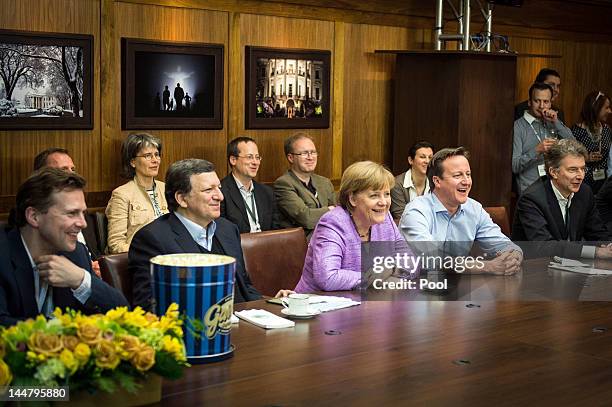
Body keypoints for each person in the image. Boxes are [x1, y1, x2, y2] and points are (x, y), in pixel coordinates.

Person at [128, 159, 292, 311]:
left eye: (219, 188)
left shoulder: (227, 229)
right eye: (208, 190)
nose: (220, 196)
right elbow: (148, 307)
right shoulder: (153, 239)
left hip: (244, 324)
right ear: (182, 199)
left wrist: (271, 303)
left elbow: (244, 287)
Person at [0, 168, 128, 326]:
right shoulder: (4, 254)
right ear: (34, 216)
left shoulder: (77, 253)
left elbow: (122, 311)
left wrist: (81, 280)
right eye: (71, 213)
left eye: (83, 213)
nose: (83, 223)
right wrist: (62, 330)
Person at [401, 147, 522, 275]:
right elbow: (432, 259)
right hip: (414, 286)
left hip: (457, 287)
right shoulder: (416, 211)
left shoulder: (474, 209)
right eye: (458, 175)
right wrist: (487, 266)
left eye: (468, 174)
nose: (466, 182)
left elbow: (506, 246)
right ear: (437, 181)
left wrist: (513, 257)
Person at [294, 161, 410, 292]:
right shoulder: (332, 223)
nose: (383, 202)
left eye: (387, 194)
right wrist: (375, 278)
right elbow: (327, 278)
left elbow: (411, 262)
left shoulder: (385, 218)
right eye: (374, 195)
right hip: (317, 306)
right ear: (352, 199)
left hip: (367, 304)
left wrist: (393, 272)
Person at [512, 139, 612, 259]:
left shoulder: (584, 192)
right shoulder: (532, 199)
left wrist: (608, 246)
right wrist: (596, 252)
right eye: (573, 170)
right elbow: (544, 246)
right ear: (554, 172)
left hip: (571, 265)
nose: (580, 176)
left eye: (583, 169)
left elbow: (597, 233)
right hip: (536, 267)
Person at [105, 133, 168, 254]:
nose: (155, 160)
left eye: (157, 155)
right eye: (148, 156)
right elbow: (116, 245)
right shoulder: (122, 194)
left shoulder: (166, 188)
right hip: (142, 259)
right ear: (133, 162)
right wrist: (149, 251)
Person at [512, 82, 573, 195]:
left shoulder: (553, 122)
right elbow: (514, 166)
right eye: (537, 101)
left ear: (550, 103)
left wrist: (556, 122)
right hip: (530, 192)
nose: (541, 106)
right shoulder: (518, 127)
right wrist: (537, 151)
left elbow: (573, 145)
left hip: (555, 189)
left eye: (546, 101)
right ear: (529, 102)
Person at [274, 133, 336, 238]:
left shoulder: (324, 182)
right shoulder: (284, 184)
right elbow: (306, 218)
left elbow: (338, 215)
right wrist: (330, 210)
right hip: (301, 245)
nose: (310, 157)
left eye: (313, 152)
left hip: (330, 238)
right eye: (304, 153)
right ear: (290, 158)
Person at [221, 137, 277, 233]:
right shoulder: (221, 192)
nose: (255, 162)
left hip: (267, 245)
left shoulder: (267, 192)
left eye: (257, 157)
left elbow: (276, 228)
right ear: (233, 160)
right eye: (249, 157)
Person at [571, 91, 612, 194]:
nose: (610, 111)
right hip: (582, 183)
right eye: (606, 108)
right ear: (595, 108)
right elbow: (568, 158)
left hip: (603, 184)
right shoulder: (576, 131)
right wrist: (586, 158)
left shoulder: (607, 130)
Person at [390, 141, 434, 222]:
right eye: (422, 157)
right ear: (411, 160)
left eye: (430, 157)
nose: (427, 161)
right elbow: (400, 217)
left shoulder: (435, 183)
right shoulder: (397, 184)